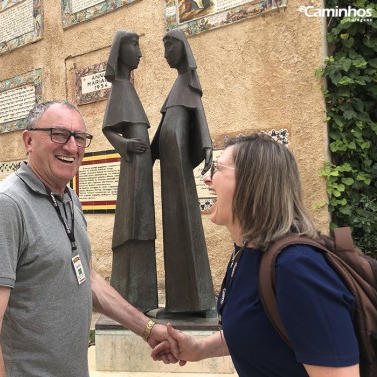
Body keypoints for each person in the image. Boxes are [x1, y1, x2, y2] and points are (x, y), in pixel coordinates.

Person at [0, 100, 172, 377]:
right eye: (58, 134)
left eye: (80, 138)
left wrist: (147, 329)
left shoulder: (68, 197)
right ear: (28, 140)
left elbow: (87, 277)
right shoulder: (6, 205)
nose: (72, 147)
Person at [151, 133, 360, 377]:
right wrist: (199, 349)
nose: (207, 178)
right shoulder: (246, 253)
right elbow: (260, 328)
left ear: (252, 183)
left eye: (217, 169)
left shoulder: (297, 267)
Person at [151, 29, 215, 316]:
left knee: (184, 226)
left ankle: (195, 301)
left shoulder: (188, 83)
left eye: (168, 48)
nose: (165, 55)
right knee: (174, 227)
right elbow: (164, 128)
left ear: (181, 49)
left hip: (178, 167)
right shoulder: (176, 85)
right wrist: (148, 155)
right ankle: (180, 301)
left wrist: (207, 145)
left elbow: (198, 115)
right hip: (169, 167)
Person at [102, 30, 158, 313]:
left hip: (141, 171)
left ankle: (144, 297)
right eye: (134, 45)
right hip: (133, 170)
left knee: (144, 226)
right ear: (121, 51)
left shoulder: (129, 88)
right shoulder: (120, 88)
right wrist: (126, 144)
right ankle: (130, 294)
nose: (139, 52)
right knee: (134, 225)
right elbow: (108, 129)